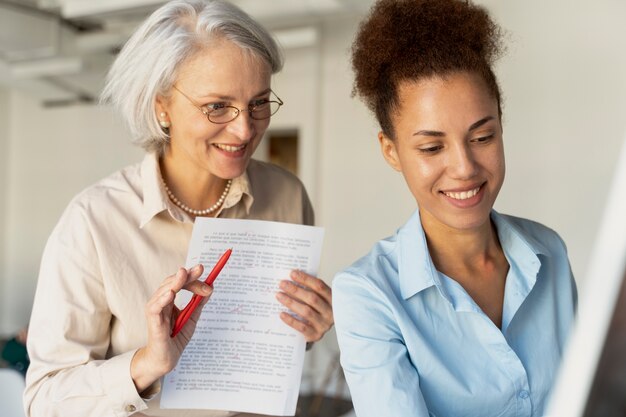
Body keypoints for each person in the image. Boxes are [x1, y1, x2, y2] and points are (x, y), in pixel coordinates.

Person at [23, 1, 333, 416]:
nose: (244, 129)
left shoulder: (287, 195)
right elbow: (43, 402)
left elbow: (274, 342)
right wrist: (146, 364)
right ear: (161, 107)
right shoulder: (93, 222)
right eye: (217, 106)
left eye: (258, 103)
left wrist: (309, 329)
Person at [332, 1, 578, 416]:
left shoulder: (549, 252)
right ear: (391, 151)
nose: (464, 168)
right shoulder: (369, 294)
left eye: (482, 137)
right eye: (432, 147)